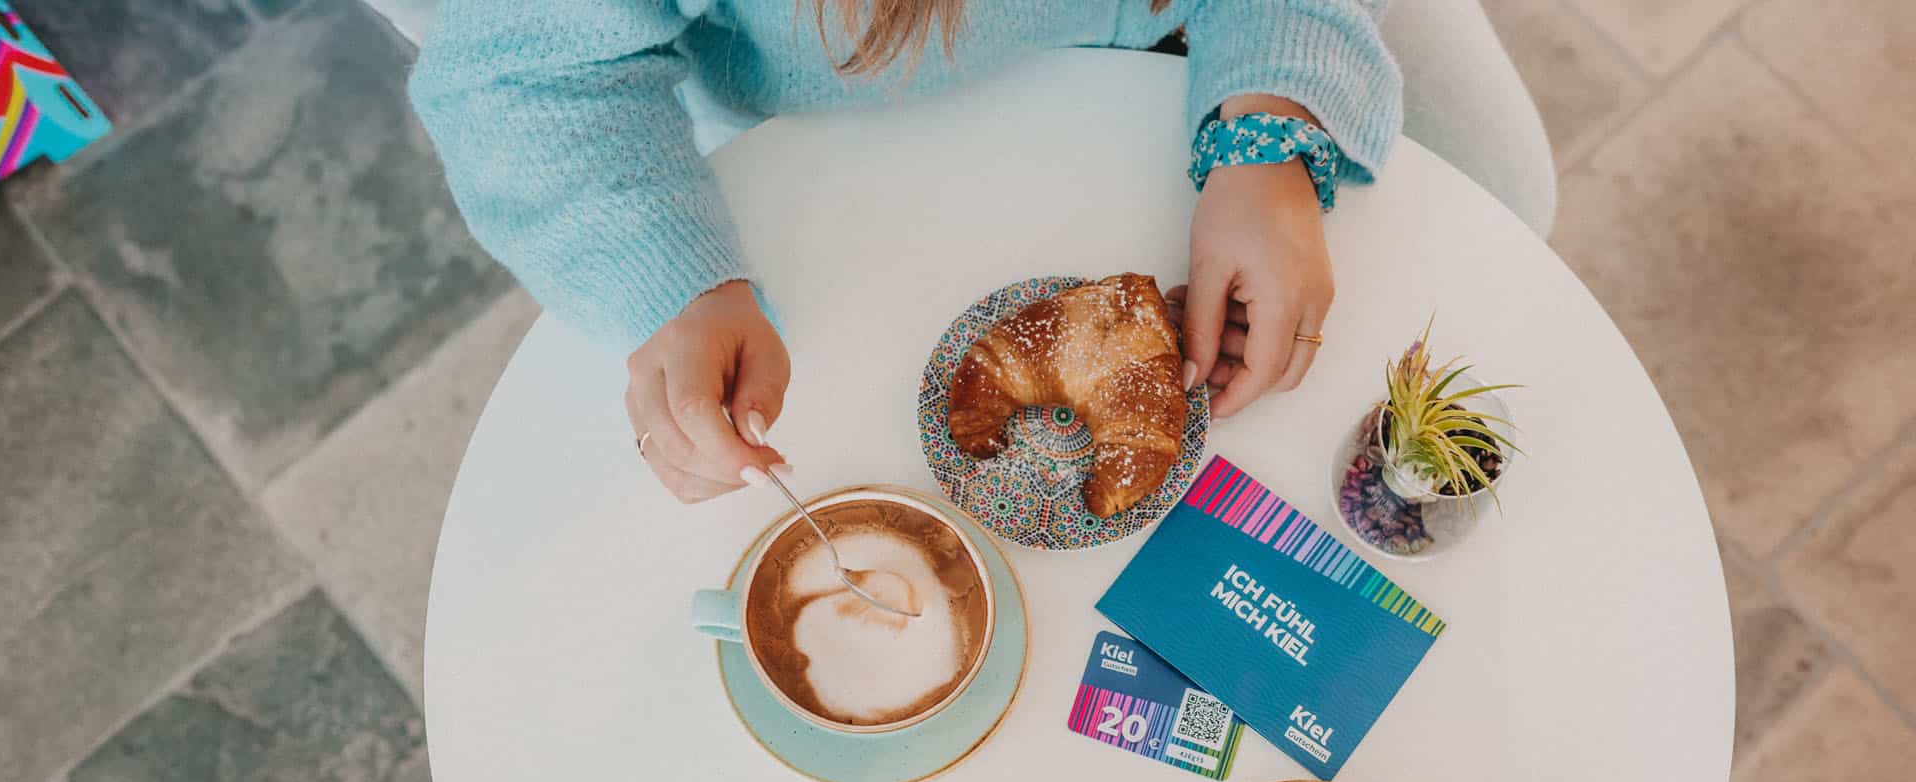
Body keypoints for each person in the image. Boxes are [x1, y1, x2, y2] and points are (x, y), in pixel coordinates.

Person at [410, 0, 1552, 504]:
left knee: (1503, 205)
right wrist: (672, 284)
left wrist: (1269, 123)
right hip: (832, 100)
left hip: (1238, 30)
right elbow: (524, 74)